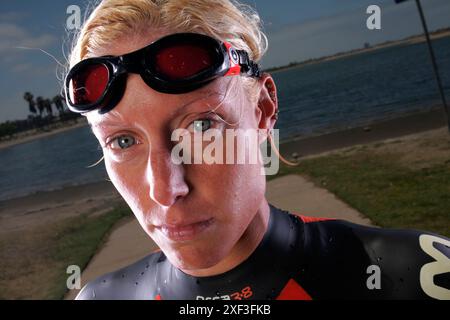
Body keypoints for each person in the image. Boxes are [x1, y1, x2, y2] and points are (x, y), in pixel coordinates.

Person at [65, 0, 449, 300]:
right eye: (123, 141)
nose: (165, 189)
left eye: (201, 126)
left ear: (263, 110)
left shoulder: (419, 276)